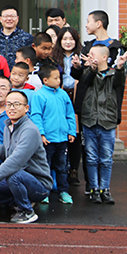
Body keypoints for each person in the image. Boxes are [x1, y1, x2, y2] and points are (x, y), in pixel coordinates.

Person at [0, 91, 52, 224]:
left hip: (38, 185)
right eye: (9, 104)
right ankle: (15, 202)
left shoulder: (29, 130)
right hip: (17, 178)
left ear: (26, 108)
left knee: (14, 174)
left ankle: (26, 211)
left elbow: (16, 160)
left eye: (16, 104)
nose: (12, 108)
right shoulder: (9, 126)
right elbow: (6, 151)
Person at [74, 45, 127, 204]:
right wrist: (91, 68)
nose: (90, 56)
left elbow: (119, 82)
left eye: (93, 54)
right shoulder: (88, 72)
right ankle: (94, 189)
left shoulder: (113, 74)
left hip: (108, 121)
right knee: (91, 158)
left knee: (106, 158)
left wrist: (119, 67)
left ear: (104, 57)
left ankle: (105, 189)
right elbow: (85, 81)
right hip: (89, 120)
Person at [28, 64, 76, 205]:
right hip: (47, 139)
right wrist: (41, 134)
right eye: (55, 78)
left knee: (62, 167)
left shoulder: (63, 94)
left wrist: (71, 131)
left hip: (62, 139)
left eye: (59, 78)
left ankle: (63, 191)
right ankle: (44, 192)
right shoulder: (39, 95)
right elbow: (36, 116)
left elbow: (70, 114)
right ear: (45, 80)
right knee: (45, 167)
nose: (58, 81)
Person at [51, 26, 82, 185]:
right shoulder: (54, 57)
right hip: (59, 94)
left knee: (75, 132)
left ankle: (74, 169)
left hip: (77, 95)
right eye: (65, 39)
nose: (68, 42)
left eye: (71, 39)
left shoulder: (82, 56)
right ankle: (59, 169)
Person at [0, 6, 34, 71]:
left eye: (12, 16)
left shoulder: (27, 37)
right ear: (0, 19)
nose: (9, 19)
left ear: (17, 18)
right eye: (6, 16)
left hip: (19, 74)